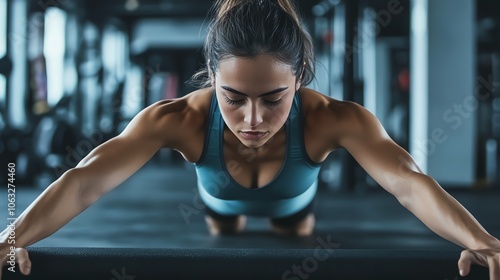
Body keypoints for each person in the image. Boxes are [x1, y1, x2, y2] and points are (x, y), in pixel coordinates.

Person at [1, 0, 499, 278]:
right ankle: (230, 214)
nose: (253, 118)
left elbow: (408, 182)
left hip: (294, 203)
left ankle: (286, 219)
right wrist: (13, 235)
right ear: (210, 76)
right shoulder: (177, 119)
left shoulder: (333, 119)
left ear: (301, 76)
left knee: (293, 233)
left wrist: (481, 240)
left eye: (274, 98)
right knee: (226, 229)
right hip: (217, 199)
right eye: (233, 97)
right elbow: (86, 179)